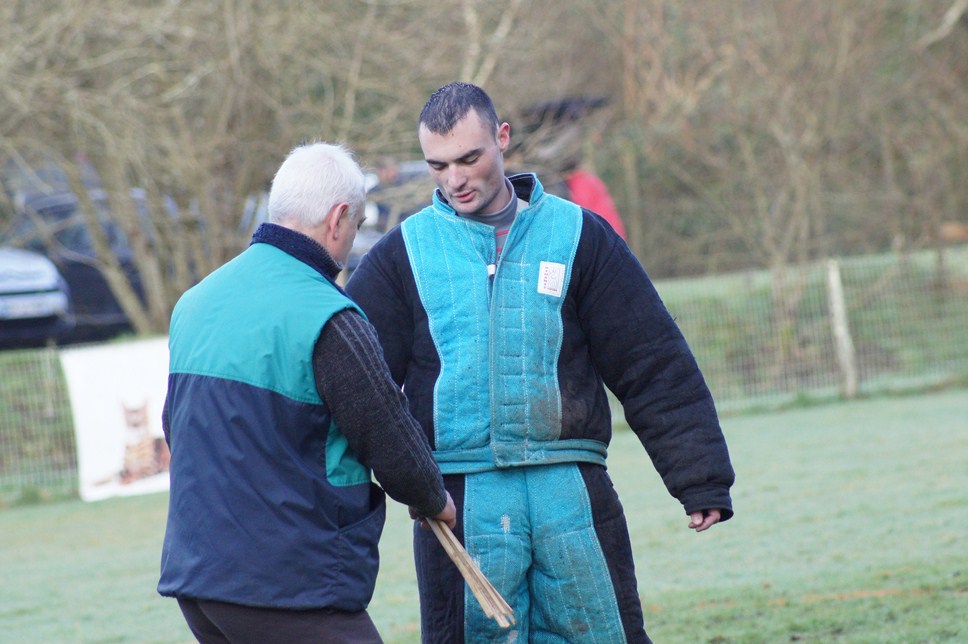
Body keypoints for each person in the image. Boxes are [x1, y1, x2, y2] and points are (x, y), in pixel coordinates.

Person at [345, 82, 735, 643]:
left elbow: (651, 360)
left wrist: (699, 477)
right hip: (459, 505)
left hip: (572, 492)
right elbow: (355, 384)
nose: (455, 179)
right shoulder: (400, 256)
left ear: (503, 139)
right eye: (438, 165)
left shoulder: (580, 236)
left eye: (470, 158)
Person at [158, 141, 456, 644]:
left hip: (200, 583)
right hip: (289, 587)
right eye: (357, 228)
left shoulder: (194, 303)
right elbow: (387, 434)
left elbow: (179, 426)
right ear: (338, 219)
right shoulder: (329, 316)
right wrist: (434, 499)